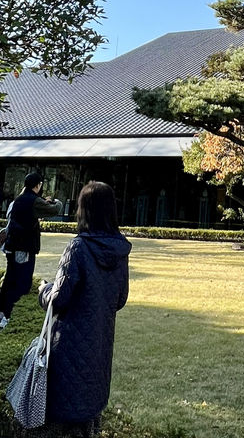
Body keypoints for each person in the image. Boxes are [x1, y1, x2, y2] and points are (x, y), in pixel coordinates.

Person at [38, 181, 131, 436]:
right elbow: (120, 298)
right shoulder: (120, 250)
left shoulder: (78, 247)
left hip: (68, 347)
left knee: (60, 425)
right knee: (88, 421)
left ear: (84, 209)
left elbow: (58, 300)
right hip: (100, 346)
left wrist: (43, 289)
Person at [0, 171, 63, 329]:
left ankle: (3, 311)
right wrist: (55, 201)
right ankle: (9, 314)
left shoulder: (19, 199)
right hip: (23, 247)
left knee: (10, 279)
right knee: (21, 282)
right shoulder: (33, 201)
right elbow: (55, 209)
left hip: (12, 245)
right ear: (38, 185)